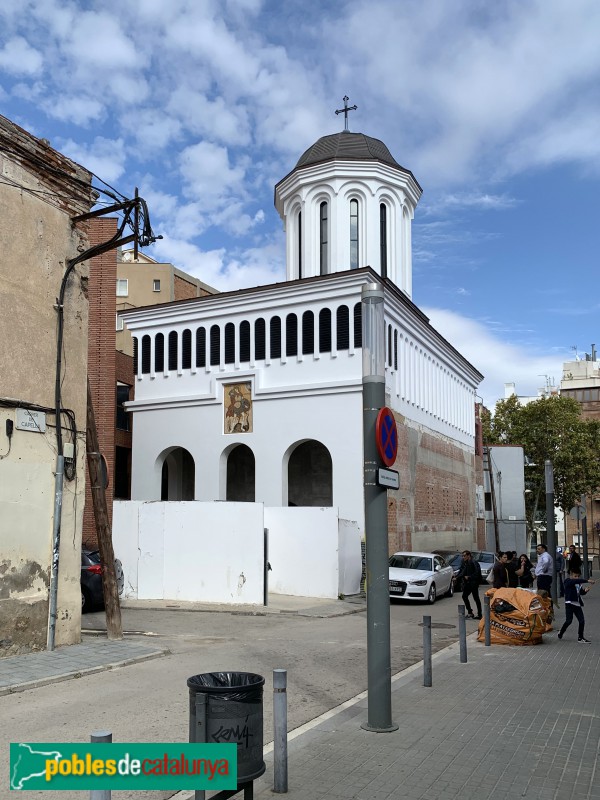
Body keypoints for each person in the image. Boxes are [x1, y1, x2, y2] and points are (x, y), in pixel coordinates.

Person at [557, 569, 596, 643]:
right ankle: (561, 632)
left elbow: (581, 592)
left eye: (578, 576)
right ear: (570, 576)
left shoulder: (578, 584)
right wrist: (588, 581)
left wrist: (585, 591)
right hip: (569, 603)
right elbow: (574, 581)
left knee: (582, 621)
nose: (577, 578)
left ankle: (580, 637)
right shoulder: (567, 581)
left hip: (577, 604)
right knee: (569, 621)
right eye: (575, 576)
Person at [455, 550, 482, 619]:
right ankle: (470, 612)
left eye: (464, 556)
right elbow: (463, 572)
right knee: (465, 596)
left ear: (468, 556)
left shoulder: (473, 562)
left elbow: (477, 573)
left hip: (473, 583)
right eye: (462, 556)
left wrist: (469, 577)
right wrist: (457, 577)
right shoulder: (466, 563)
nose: (463, 557)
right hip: (468, 583)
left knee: (476, 598)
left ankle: (479, 614)